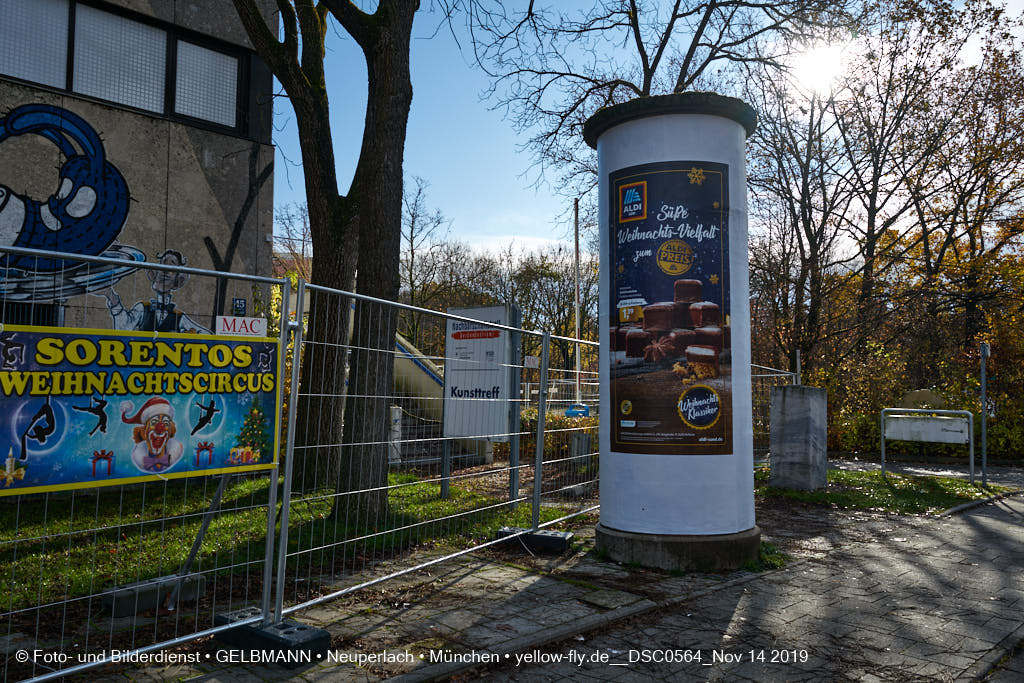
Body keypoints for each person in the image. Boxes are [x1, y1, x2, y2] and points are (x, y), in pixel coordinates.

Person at [98, 249, 211, 334]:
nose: (164, 271)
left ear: (178, 279)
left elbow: (208, 336)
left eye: (172, 268)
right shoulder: (143, 308)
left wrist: (190, 337)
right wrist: (111, 297)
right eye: (162, 265)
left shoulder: (179, 317)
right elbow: (123, 328)